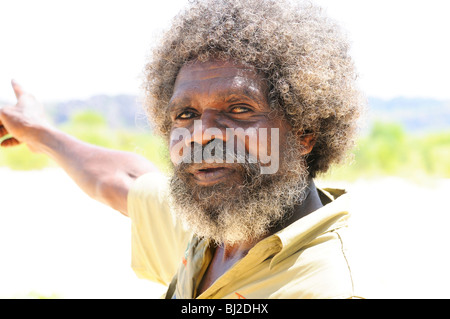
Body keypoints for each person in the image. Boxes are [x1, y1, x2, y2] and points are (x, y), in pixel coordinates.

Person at [0, 0, 365, 299]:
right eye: (186, 114)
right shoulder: (214, 228)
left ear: (305, 132)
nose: (201, 135)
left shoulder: (325, 285)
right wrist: (37, 132)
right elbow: (123, 179)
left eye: (239, 109)